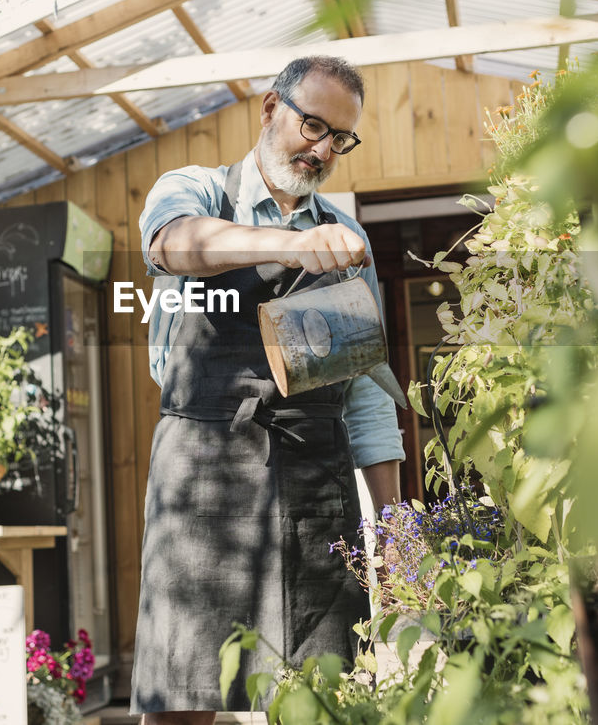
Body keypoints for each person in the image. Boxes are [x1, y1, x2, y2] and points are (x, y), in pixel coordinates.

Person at [129, 55, 405, 724]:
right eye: (312, 124)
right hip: (202, 478)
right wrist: (280, 244)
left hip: (314, 481)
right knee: (181, 698)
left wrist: (395, 538)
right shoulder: (196, 191)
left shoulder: (347, 239)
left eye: (339, 138)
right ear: (269, 107)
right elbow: (173, 245)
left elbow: (365, 395)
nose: (322, 148)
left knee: (319, 696)